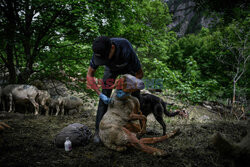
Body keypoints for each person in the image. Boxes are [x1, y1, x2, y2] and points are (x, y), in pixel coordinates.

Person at [86, 36, 143, 143]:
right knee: (104, 95)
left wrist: (128, 90)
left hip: (129, 69)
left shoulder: (125, 48)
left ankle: (138, 131)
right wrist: (100, 94)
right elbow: (89, 75)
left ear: (112, 47)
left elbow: (139, 74)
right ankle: (98, 132)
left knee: (135, 97)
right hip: (111, 70)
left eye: (105, 58)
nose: (103, 60)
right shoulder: (99, 51)